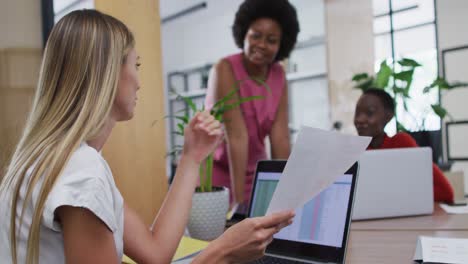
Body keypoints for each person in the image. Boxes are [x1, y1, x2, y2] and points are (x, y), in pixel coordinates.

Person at [0, 10, 295, 263]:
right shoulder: (82, 176)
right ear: (107, 74)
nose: (140, 82)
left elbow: (155, 254)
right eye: (136, 65)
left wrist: (191, 158)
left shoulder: (53, 159)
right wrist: (222, 252)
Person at [205, 0, 300, 213]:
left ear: (282, 43)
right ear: (244, 33)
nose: (262, 45)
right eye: (256, 35)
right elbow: (236, 136)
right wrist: (240, 202)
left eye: (272, 40)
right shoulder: (225, 69)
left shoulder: (278, 74)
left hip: (258, 174)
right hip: (219, 175)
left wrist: (285, 193)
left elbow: (280, 138)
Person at [354, 88, 455, 203]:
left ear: (388, 116)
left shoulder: (401, 143)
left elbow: (445, 192)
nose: (359, 119)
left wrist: (397, 198)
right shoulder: (354, 151)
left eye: (369, 113)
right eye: (357, 113)